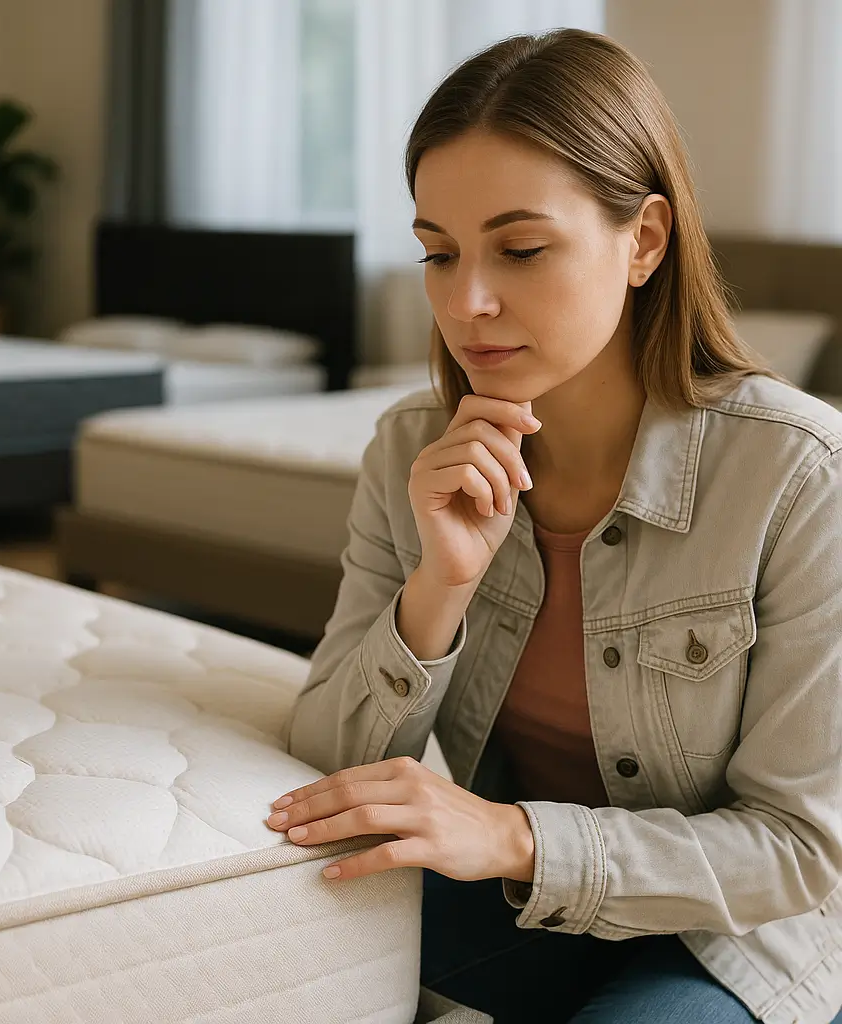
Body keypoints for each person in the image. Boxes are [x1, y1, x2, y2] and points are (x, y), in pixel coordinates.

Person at [265, 28, 842, 1024]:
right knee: (249, 930)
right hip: (529, 910)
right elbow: (327, 752)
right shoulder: (411, 447)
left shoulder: (800, 476)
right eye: (438, 253)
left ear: (644, 241)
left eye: (521, 249)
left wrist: (513, 837)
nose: (466, 302)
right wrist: (439, 588)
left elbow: (796, 849)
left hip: (741, 938)